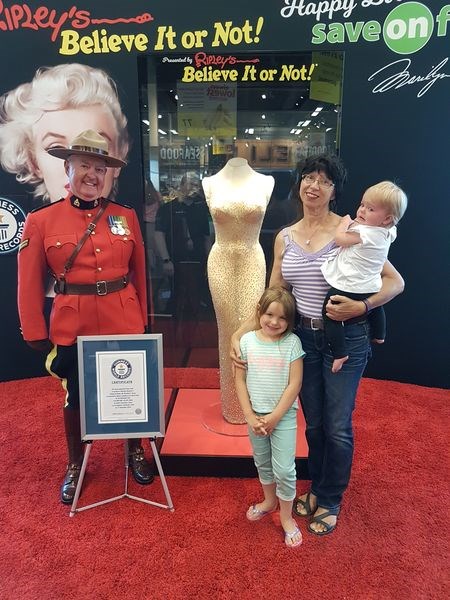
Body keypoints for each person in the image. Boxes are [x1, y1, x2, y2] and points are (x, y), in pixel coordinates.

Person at [231, 154, 404, 535]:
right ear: (300, 185)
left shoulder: (351, 229)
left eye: (323, 180)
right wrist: (241, 331)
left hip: (347, 338)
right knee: (314, 425)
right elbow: (275, 293)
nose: (314, 185)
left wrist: (362, 305)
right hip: (302, 340)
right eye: (308, 177)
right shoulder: (285, 236)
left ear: (334, 190)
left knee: (338, 425)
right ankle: (318, 486)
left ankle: (330, 497)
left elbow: (395, 282)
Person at [17, 130, 153, 505]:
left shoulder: (124, 216)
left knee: (131, 390)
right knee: (76, 397)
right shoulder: (42, 221)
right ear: (68, 167)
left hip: (123, 318)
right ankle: (76, 463)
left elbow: (139, 272)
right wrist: (33, 327)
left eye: (100, 168)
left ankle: (134, 451)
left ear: (108, 174)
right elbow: (29, 282)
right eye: (84, 166)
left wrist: (145, 318)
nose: (93, 175)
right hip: (73, 325)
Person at [202, 157, 274, 423]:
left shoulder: (266, 182)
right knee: (227, 329)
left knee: (251, 328)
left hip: (252, 260)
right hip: (220, 260)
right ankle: (231, 405)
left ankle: (253, 401)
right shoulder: (209, 183)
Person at [234, 286, 304, 548]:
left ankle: (286, 517)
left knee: (284, 469)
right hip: (255, 418)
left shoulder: (292, 343)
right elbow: (239, 381)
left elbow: (294, 384)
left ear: (290, 321)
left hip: (282, 417)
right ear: (259, 313)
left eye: (283, 317)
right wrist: (250, 416)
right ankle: (269, 501)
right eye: (270, 314)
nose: (275, 322)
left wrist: (275, 417)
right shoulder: (246, 341)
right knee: (262, 462)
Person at [0, 63, 128, 203]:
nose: (78, 167)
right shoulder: (37, 222)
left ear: (119, 155)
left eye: (96, 149)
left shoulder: (127, 219)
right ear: (33, 162)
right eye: (57, 148)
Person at [321, 181, 408, 373]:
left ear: (386, 219)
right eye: (362, 205)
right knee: (377, 306)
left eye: (370, 209)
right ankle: (379, 334)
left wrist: (343, 224)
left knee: (329, 314)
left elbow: (340, 240)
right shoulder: (388, 232)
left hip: (349, 285)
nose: (361, 210)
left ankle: (340, 353)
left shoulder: (363, 232)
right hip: (370, 284)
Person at [154, 171, 211, 319]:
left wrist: (209, 263)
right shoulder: (168, 208)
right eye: (191, 184)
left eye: (197, 185)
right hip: (175, 261)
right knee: (176, 299)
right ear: (181, 185)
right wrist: (166, 260)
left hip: (197, 261)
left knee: (196, 301)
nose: (195, 188)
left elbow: (206, 238)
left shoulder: (202, 209)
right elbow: (159, 234)